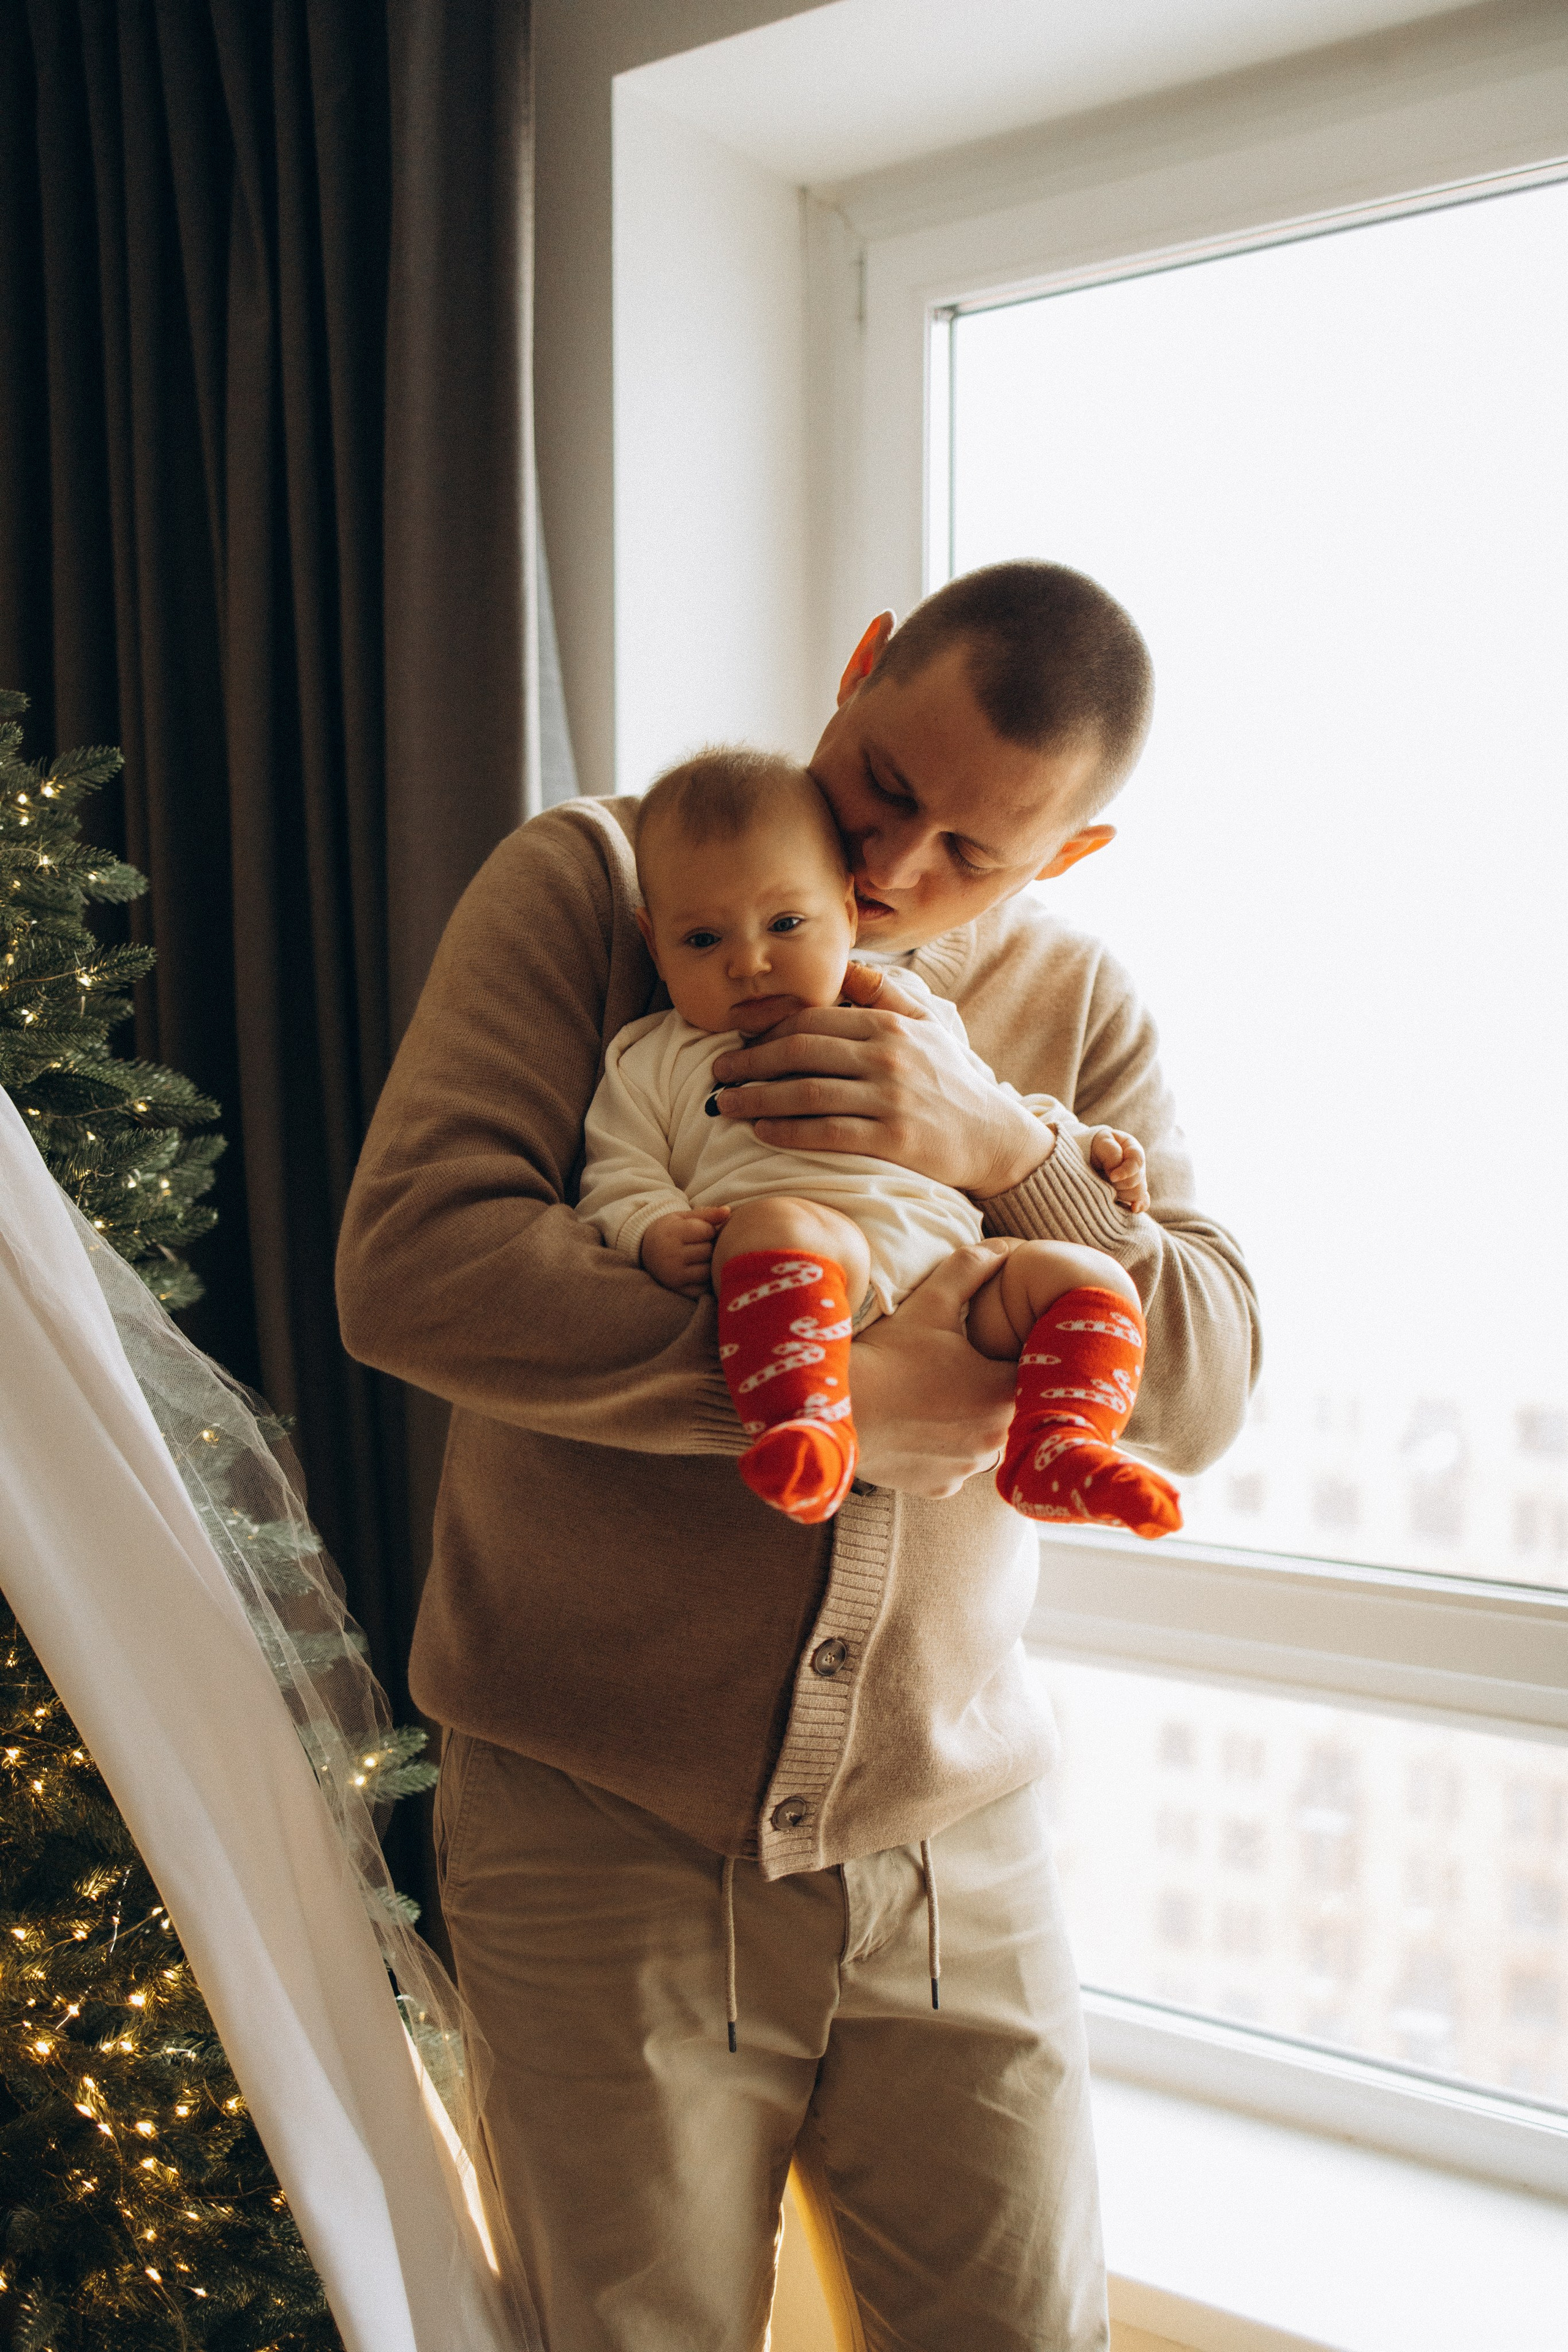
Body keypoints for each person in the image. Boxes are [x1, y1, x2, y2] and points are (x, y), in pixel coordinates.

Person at [336, 560, 1261, 2351]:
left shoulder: (1077, 1009)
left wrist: (1011, 1152)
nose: (896, 873)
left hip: (952, 1839)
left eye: (974, 856)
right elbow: (416, 1264)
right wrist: (812, 1389)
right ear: (854, 672)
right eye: (885, 786)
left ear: (1064, 858)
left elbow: (1208, 1383)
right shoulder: (595, 886)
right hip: (595, 1828)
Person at [579, 745, 1180, 1540]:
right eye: (701, 942)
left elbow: (993, 1105)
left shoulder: (910, 1016)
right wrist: (650, 1227)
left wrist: (1081, 1146)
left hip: (962, 1283)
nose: (750, 962)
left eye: (787, 924)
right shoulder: (653, 1056)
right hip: (813, 1284)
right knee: (778, 1227)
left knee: (1086, 1274)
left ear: (847, 911)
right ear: (654, 944)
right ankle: (811, 1424)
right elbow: (618, 1170)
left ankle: (1059, 1445)